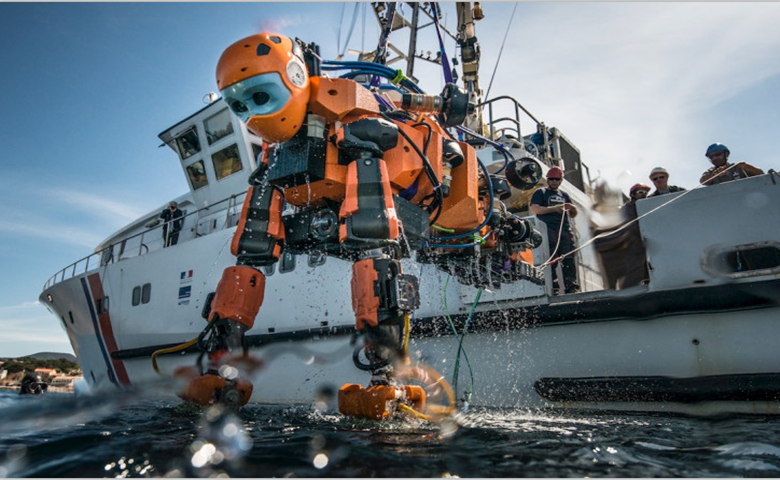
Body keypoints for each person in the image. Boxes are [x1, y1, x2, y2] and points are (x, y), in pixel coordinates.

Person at [530, 166, 580, 294]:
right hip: (548, 229)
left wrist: (572, 208)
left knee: (568, 258)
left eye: (556, 179)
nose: (553, 181)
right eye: (551, 179)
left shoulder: (564, 195)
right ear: (547, 179)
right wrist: (554, 209)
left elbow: (573, 214)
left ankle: (571, 287)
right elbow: (535, 209)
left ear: (560, 180)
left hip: (564, 229)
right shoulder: (540, 193)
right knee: (551, 259)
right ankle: (554, 288)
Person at [700, 143, 764, 186]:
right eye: (711, 157)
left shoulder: (738, 167)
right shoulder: (710, 171)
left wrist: (747, 167)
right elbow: (703, 181)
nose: (714, 158)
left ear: (726, 154)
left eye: (717, 154)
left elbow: (761, 173)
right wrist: (715, 174)